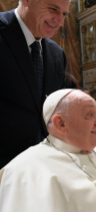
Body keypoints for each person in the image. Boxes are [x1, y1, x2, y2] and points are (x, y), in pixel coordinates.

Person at [0, 0, 69, 168]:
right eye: (53, 9)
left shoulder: (58, 54)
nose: (59, 21)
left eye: (64, 14)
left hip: (45, 169)